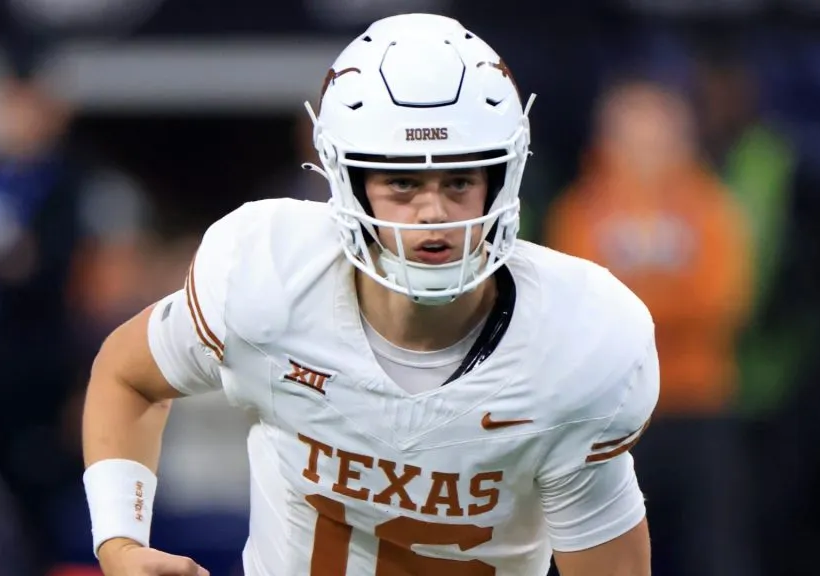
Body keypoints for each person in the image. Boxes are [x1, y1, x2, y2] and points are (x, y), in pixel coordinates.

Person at [82, 13, 659, 576]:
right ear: (349, 184)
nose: (432, 212)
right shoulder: (270, 280)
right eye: (402, 182)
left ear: (500, 181)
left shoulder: (575, 347)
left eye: (459, 180)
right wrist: (121, 544)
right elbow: (126, 375)